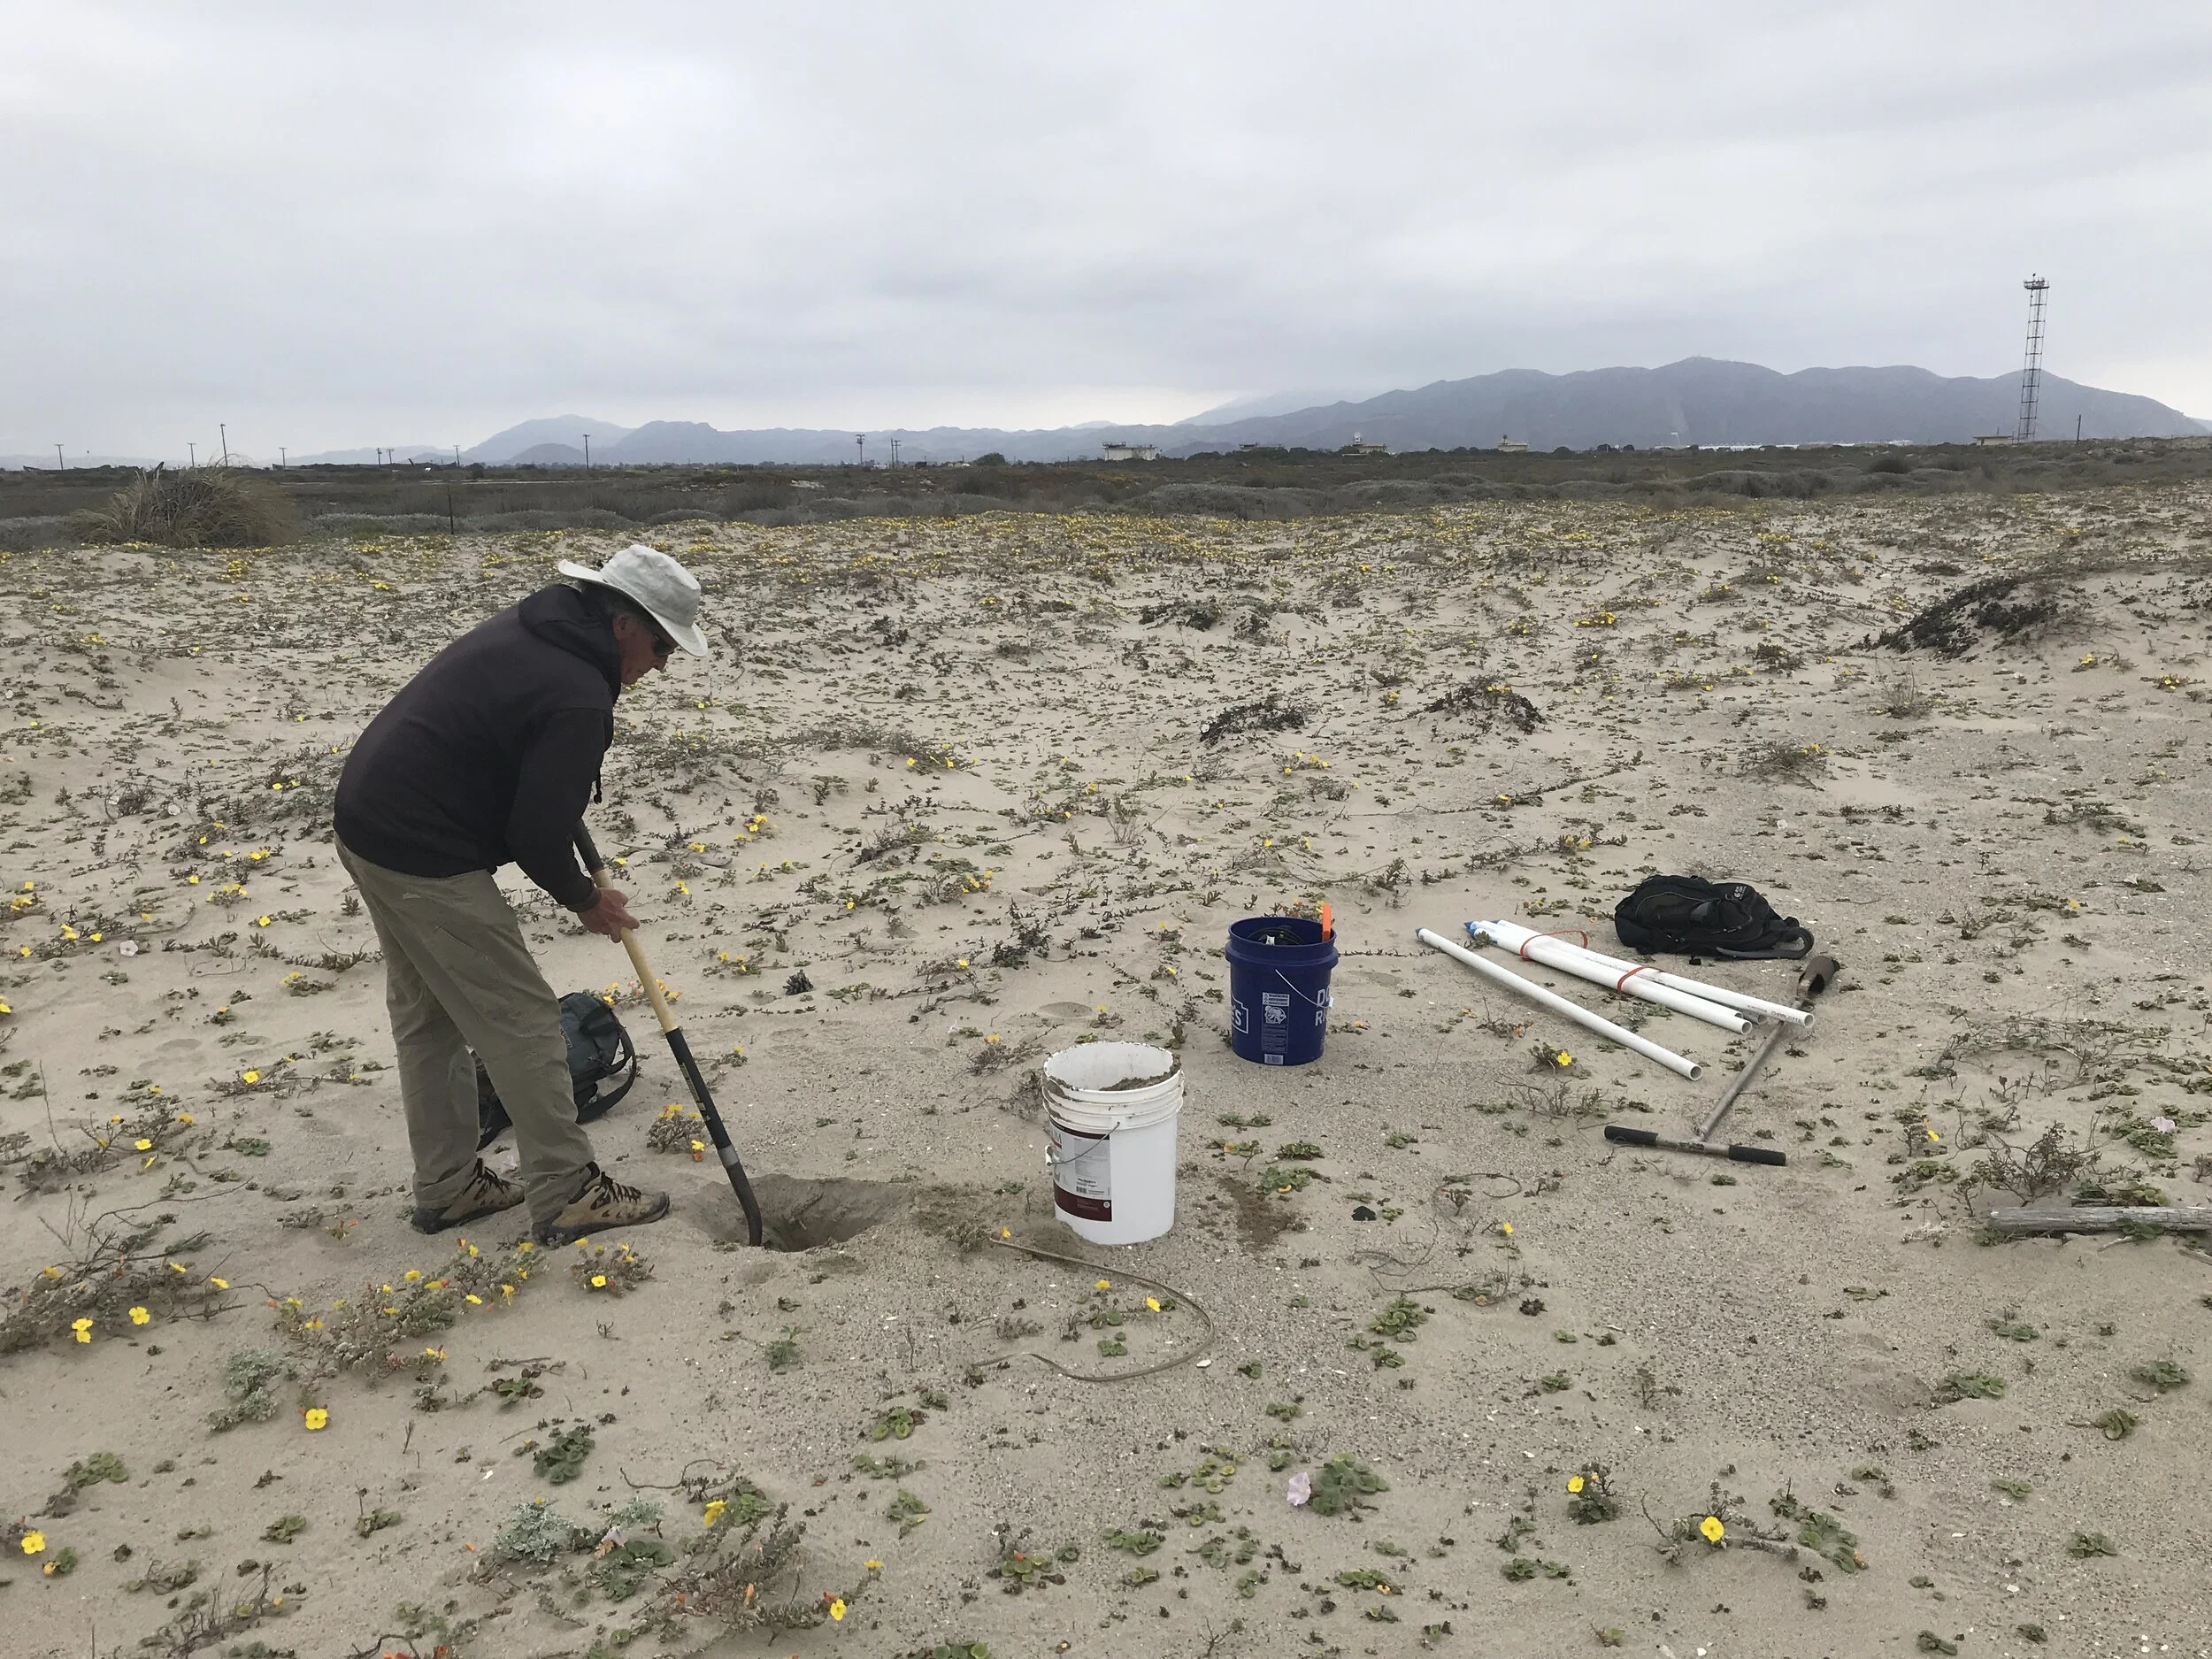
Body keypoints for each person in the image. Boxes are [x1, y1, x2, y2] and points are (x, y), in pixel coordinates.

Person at [333, 543, 709, 1243]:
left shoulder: (546, 625)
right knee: (525, 1019)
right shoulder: (578, 695)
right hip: (419, 849)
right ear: (625, 623)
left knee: (431, 1016)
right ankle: (567, 1191)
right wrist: (584, 899)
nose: (661, 664)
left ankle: (448, 1188)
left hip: (368, 819)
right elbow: (536, 833)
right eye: (662, 645)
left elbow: (523, 765)